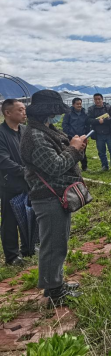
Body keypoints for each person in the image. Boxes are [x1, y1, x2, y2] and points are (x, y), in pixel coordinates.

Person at [20, 90, 87, 306]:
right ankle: (53, 293)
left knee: (59, 242)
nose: (57, 116)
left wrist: (76, 147)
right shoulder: (35, 136)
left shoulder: (45, 130)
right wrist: (73, 149)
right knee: (52, 245)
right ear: (47, 112)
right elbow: (55, 165)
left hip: (56, 195)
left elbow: (61, 156)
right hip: (48, 197)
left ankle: (56, 283)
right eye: (55, 111)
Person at [0, 100, 29, 266]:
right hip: (9, 184)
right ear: (8, 113)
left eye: (24, 109)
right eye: (20, 110)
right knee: (10, 221)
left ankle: (28, 247)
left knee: (29, 216)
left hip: (29, 182)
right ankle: (12, 256)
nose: (24, 113)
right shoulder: (1, 133)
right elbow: (3, 160)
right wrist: (25, 172)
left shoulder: (24, 131)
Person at [87, 93, 111, 172]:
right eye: (95, 99)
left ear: (102, 99)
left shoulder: (108, 107)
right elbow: (88, 120)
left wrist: (104, 120)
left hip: (109, 133)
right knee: (101, 151)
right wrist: (98, 121)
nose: (97, 101)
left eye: (99, 99)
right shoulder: (91, 109)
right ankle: (104, 165)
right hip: (99, 134)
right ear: (94, 100)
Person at [62, 98, 89, 171]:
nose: (79, 105)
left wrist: (86, 134)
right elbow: (65, 124)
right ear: (73, 104)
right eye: (77, 104)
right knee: (73, 151)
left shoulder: (84, 113)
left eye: (80, 104)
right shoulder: (68, 113)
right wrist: (69, 133)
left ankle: (84, 167)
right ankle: (72, 167)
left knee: (83, 151)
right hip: (72, 137)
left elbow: (87, 124)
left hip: (82, 136)